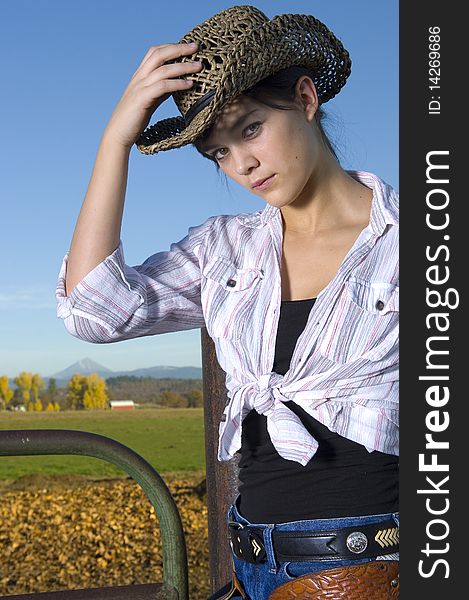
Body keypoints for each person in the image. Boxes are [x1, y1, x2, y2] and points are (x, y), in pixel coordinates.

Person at [56, 5, 399, 599]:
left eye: (249, 128)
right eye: (217, 151)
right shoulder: (227, 250)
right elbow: (95, 310)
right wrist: (116, 138)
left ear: (305, 98)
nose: (241, 165)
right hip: (249, 564)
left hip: (362, 568)